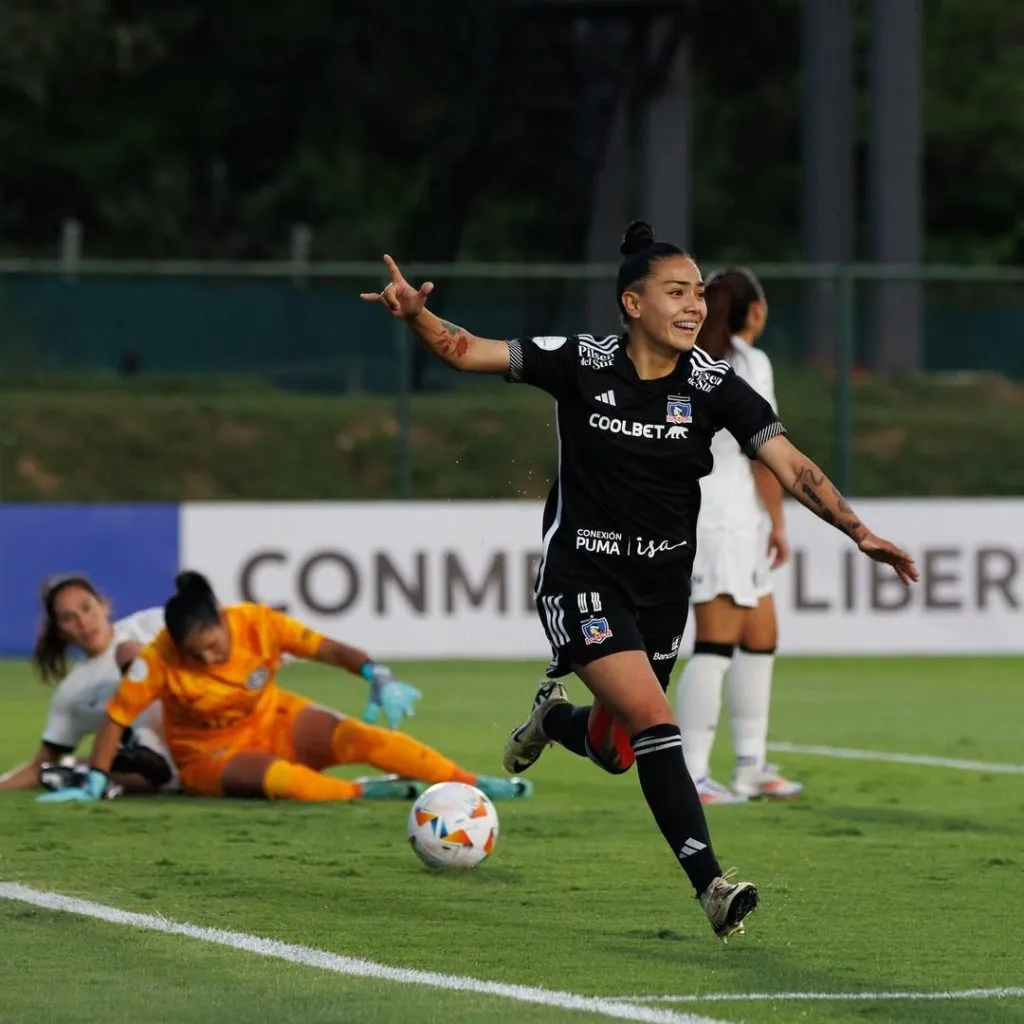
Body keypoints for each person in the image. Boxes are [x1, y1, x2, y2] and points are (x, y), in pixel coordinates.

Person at [359, 223, 918, 940]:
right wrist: (418, 315)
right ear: (631, 302)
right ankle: (712, 885)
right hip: (581, 579)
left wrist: (859, 531)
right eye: (676, 292)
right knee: (657, 725)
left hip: (659, 594)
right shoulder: (581, 362)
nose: (693, 306)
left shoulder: (716, 384)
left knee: (616, 750)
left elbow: (790, 463)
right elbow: (467, 350)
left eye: (698, 294)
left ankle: (551, 718)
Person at [39, 572, 531, 804]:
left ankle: (471, 783)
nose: (208, 659)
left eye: (213, 647)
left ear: (221, 621)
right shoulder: (159, 658)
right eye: (197, 655)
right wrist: (97, 779)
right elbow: (116, 718)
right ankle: (363, 792)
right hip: (209, 755)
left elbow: (329, 649)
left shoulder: (258, 623)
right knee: (281, 781)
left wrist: (374, 674)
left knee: (363, 738)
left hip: (274, 717)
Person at [674, 268, 802, 804]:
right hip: (723, 516)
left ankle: (750, 764)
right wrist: (780, 521)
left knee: (760, 636)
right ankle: (693, 774)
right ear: (753, 311)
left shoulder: (687, 359)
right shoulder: (749, 362)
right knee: (715, 642)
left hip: (724, 513)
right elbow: (764, 452)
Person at [0, 574, 175, 796]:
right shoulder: (72, 694)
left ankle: (93, 774)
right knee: (62, 767)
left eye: (86, 608)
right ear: (60, 631)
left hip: (206, 729)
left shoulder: (153, 624)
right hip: (156, 767)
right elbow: (38, 767)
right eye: (68, 618)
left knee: (130, 653)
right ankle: (104, 774)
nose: (83, 622)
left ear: (104, 605)